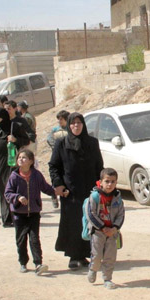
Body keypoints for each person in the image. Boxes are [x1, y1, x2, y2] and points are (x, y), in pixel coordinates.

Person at [49, 112, 104, 270]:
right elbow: (54, 166)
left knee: (90, 222)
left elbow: (99, 166)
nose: (76, 126)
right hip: (70, 192)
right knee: (73, 223)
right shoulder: (61, 143)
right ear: (69, 125)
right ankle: (74, 256)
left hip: (90, 190)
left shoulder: (92, 142)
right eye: (73, 123)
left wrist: (101, 187)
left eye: (79, 123)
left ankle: (87, 254)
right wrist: (58, 184)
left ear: (83, 125)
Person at [4, 148, 57, 275]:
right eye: (19, 158)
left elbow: (45, 187)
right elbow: (7, 193)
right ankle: (23, 262)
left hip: (34, 212)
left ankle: (38, 263)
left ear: (31, 161)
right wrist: (18, 197)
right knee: (21, 240)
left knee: (34, 239)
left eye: (24, 158)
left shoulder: (36, 175)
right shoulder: (14, 176)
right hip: (19, 214)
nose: (21, 160)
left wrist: (57, 192)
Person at [84, 168, 124, 289]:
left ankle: (107, 279)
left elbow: (121, 215)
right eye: (107, 181)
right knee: (96, 255)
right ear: (101, 182)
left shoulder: (118, 198)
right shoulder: (95, 196)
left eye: (113, 181)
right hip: (98, 232)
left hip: (112, 232)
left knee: (110, 257)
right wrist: (102, 227)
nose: (110, 184)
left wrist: (114, 228)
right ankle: (93, 269)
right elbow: (90, 214)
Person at [46, 110, 71, 209]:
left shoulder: (71, 129)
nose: (59, 121)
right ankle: (54, 195)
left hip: (67, 157)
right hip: (57, 156)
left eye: (61, 119)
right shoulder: (55, 130)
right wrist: (57, 148)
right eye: (59, 119)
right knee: (56, 176)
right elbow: (49, 139)